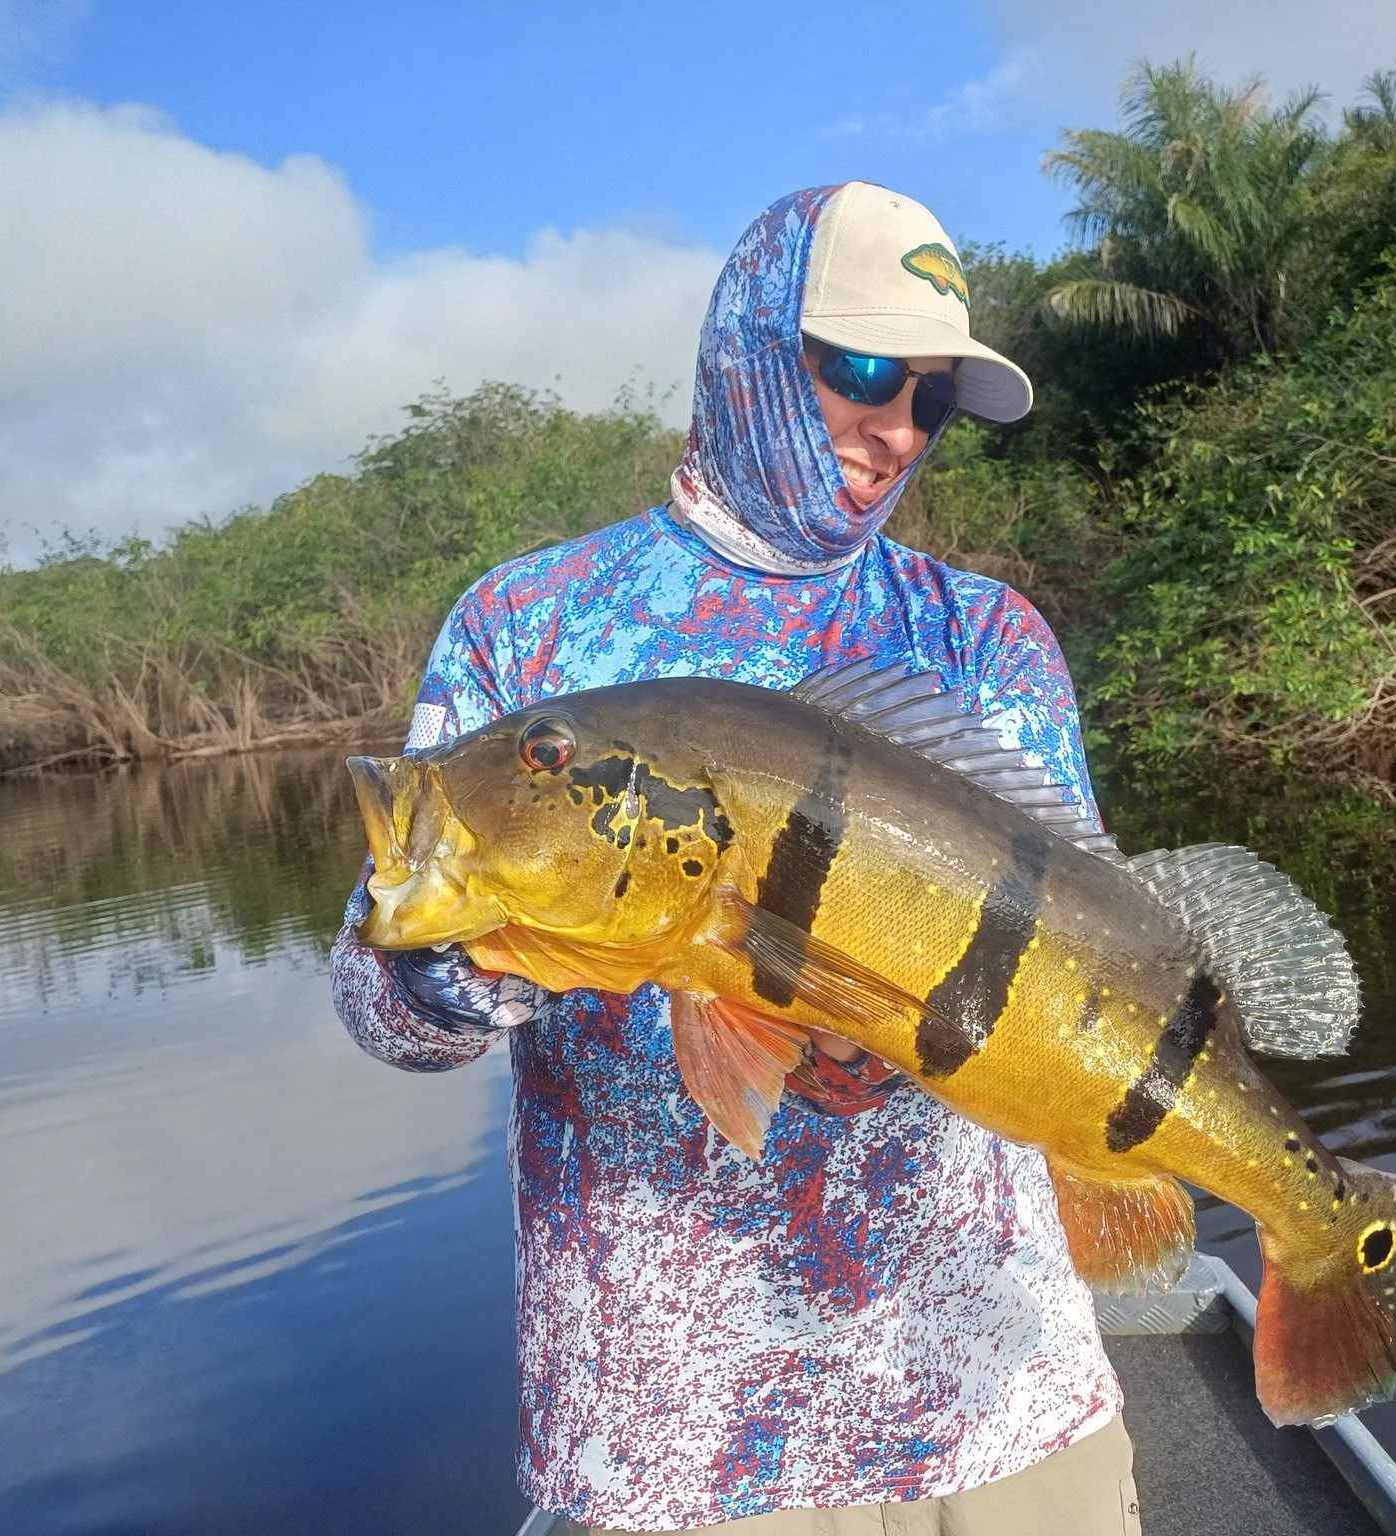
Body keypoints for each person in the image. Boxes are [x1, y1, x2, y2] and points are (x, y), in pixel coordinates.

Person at [331, 182, 1141, 1536]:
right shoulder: (528, 628)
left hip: (999, 1397)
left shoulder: (985, 639)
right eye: (865, 369)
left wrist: (851, 1032)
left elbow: (1090, 963)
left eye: (932, 398)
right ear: (752, 341)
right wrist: (482, 967)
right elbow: (374, 1006)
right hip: (677, 1446)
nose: (896, 430)